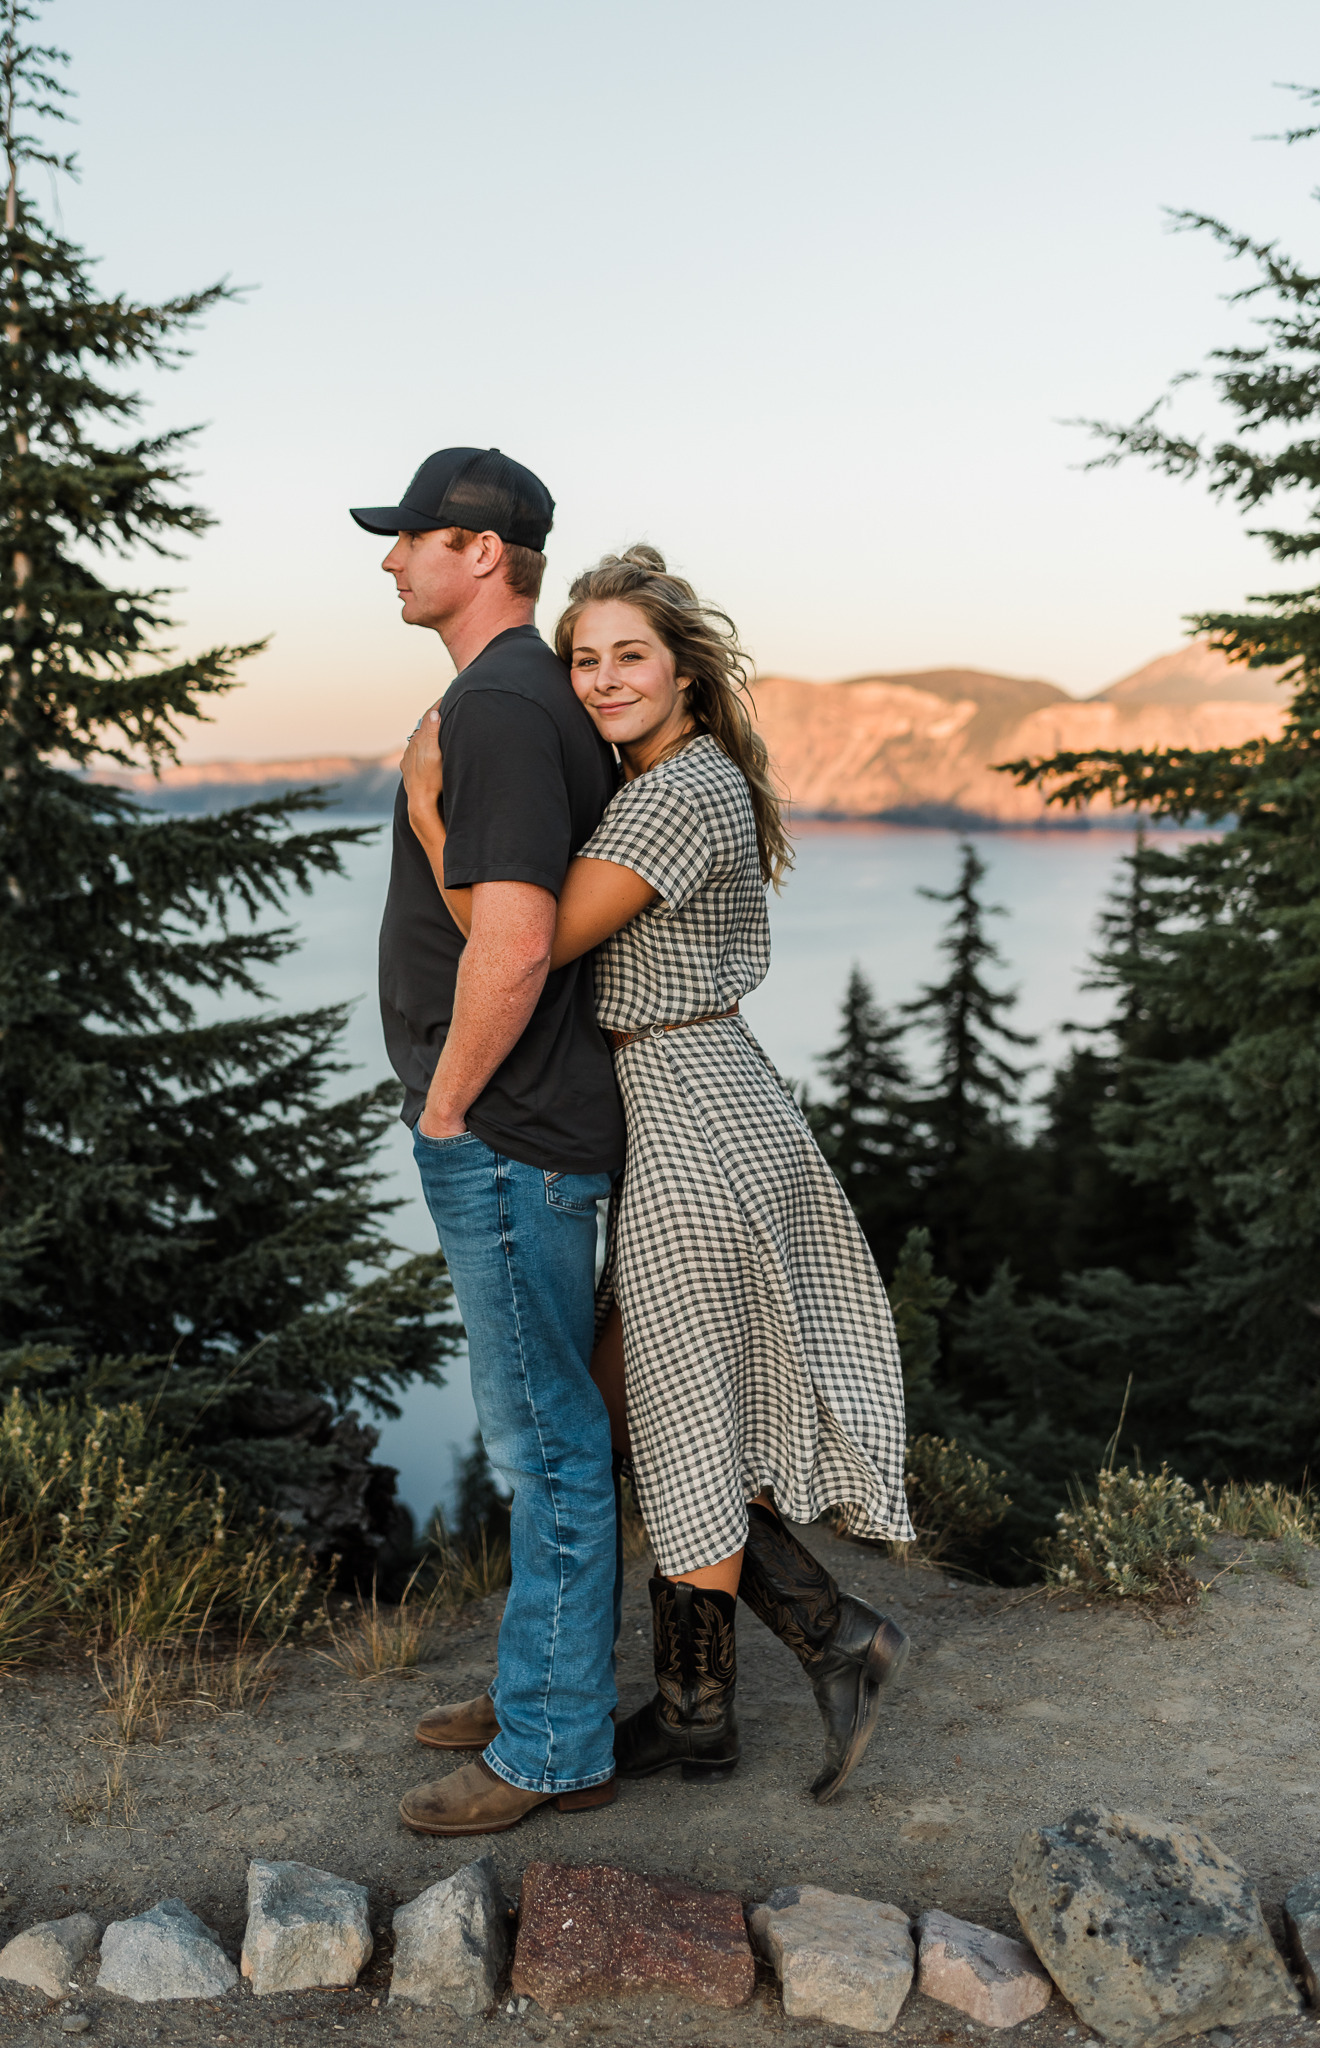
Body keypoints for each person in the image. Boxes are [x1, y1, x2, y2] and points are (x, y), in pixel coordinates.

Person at [401, 545, 914, 1802]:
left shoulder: (676, 794)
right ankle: (755, 1673)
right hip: (683, 1093)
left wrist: (429, 814)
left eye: (629, 654)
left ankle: (762, 1674)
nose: (601, 677)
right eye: (583, 658)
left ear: (686, 671)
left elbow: (524, 941)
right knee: (642, 1406)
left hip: (690, 1117)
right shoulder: (664, 779)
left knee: (662, 1414)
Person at [351, 448, 626, 1838]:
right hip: (519, 1131)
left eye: (409, 536)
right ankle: (543, 1685)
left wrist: (447, 1107)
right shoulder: (508, 695)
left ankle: (552, 1744)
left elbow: (514, 945)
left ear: (476, 551)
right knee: (542, 1434)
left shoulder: (505, 705)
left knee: (546, 1446)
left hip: (507, 1133)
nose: (388, 558)